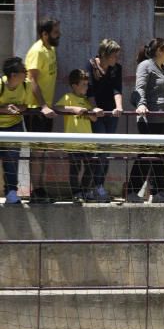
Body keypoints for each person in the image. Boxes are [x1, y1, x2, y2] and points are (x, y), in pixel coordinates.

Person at [125, 38, 164, 204]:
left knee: (162, 157)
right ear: (159, 51)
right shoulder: (146, 65)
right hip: (152, 119)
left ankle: (158, 192)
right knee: (147, 155)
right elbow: (139, 88)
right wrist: (141, 104)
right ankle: (133, 191)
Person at [24, 17, 60, 203]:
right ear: (44, 34)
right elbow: (32, 81)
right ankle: (35, 191)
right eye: (55, 32)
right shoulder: (37, 51)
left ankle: (40, 188)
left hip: (47, 109)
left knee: (43, 150)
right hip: (35, 110)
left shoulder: (51, 49)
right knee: (37, 152)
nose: (58, 34)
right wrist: (43, 106)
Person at [55, 69, 105, 203]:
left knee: (90, 167)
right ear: (74, 86)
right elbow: (58, 108)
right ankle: (76, 192)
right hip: (73, 142)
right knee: (75, 169)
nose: (86, 87)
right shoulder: (68, 98)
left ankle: (85, 190)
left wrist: (92, 112)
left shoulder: (86, 101)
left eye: (87, 84)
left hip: (88, 142)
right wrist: (74, 109)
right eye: (83, 84)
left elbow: (94, 119)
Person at [86, 38, 124, 202]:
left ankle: (99, 185)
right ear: (104, 54)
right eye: (114, 56)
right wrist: (94, 109)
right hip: (96, 114)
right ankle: (91, 187)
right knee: (99, 149)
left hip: (110, 113)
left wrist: (119, 107)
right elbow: (90, 91)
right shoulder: (90, 66)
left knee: (106, 150)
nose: (116, 59)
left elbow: (117, 89)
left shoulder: (116, 69)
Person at [0, 57, 30, 205]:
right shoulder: (0, 85)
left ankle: (12, 192)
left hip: (14, 126)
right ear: (13, 75)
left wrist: (18, 109)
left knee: (12, 160)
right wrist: (4, 110)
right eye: (23, 72)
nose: (26, 74)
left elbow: (26, 105)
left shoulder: (25, 85)